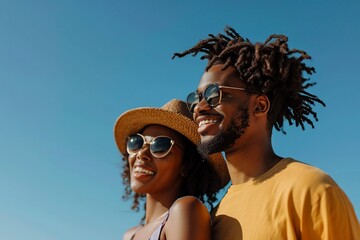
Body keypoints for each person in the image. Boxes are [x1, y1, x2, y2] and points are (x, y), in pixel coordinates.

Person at [173, 26, 360, 239]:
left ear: (260, 106)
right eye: (196, 98)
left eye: (214, 94)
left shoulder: (309, 188)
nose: (199, 107)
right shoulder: (216, 216)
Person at [114, 99, 229, 240]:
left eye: (160, 146)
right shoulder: (130, 235)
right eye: (137, 142)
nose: (142, 154)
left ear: (187, 164)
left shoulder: (185, 210)